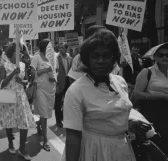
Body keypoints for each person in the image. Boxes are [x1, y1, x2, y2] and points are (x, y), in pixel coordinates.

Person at [63, 29, 151, 161]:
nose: (101, 61)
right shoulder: (76, 90)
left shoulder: (120, 82)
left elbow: (116, 113)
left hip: (122, 149)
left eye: (106, 56)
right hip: (93, 150)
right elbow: (73, 136)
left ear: (114, 58)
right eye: (95, 56)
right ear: (87, 59)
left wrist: (130, 123)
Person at [0, 42, 36, 161]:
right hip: (8, 96)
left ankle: (22, 149)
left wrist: (22, 82)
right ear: (11, 52)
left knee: (24, 123)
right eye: (17, 50)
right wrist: (13, 74)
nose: (19, 52)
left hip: (20, 96)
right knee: (9, 122)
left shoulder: (23, 65)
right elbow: (1, 84)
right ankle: (10, 143)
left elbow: (27, 82)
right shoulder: (4, 65)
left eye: (20, 50)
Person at [133, 42, 168, 155]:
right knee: (156, 143)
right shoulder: (147, 72)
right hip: (153, 112)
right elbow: (137, 93)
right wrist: (162, 96)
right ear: (154, 57)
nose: (164, 57)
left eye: (167, 55)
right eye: (160, 55)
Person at [30, 39, 56, 151]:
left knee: (45, 114)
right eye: (50, 46)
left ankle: (38, 123)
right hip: (40, 89)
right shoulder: (36, 58)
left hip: (51, 90)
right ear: (44, 47)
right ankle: (45, 140)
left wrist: (55, 79)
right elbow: (32, 73)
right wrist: (45, 70)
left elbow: (55, 71)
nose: (52, 48)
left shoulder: (53, 57)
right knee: (44, 115)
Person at [55, 42, 72, 128]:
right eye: (59, 48)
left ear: (66, 49)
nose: (60, 49)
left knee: (67, 101)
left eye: (62, 48)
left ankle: (63, 116)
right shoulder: (56, 58)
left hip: (68, 81)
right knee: (58, 102)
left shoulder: (70, 58)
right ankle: (58, 121)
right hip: (59, 82)